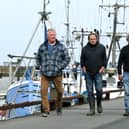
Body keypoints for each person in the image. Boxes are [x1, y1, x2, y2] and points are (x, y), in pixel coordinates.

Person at [36, 28, 70, 117]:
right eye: (51, 35)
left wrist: (60, 67)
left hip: (57, 73)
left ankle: (58, 107)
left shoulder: (61, 46)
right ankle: (46, 110)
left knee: (60, 91)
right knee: (43, 91)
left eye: (54, 35)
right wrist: (40, 66)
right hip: (45, 73)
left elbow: (67, 58)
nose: (53, 37)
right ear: (48, 37)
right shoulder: (42, 47)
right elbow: (38, 58)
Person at [80, 33, 107, 116]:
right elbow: (82, 60)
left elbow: (105, 59)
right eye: (91, 39)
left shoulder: (101, 48)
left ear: (96, 39)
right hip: (88, 73)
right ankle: (92, 109)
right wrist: (83, 67)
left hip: (98, 72)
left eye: (94, 39)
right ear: (88, 40)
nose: (92, 40)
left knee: (99, 90)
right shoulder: (84, 49)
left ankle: (99, 103)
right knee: (90, 91)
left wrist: (103, 67)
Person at [117, 33, 129, 116]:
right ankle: (127, 109)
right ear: (128, 39)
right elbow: (120, 62)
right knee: (127, 92)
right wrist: (119, 73)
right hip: (126, 73)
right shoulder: (124, 49)